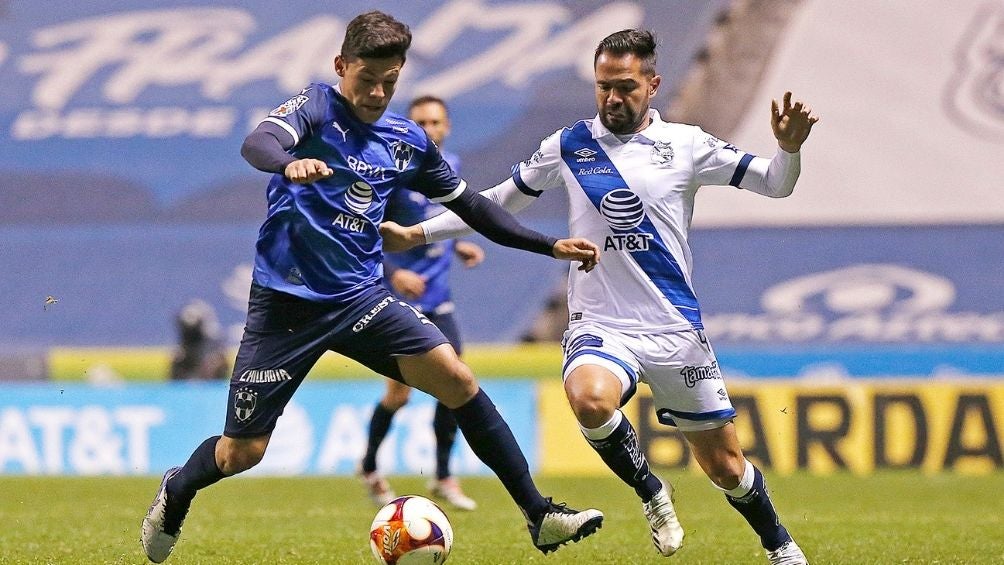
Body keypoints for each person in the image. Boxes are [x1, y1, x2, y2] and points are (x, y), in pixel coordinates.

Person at [140, 11, 603, 564]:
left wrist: (548, 245)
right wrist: (288, 165)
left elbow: (473, 206)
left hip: (361, 298)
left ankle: (538, 514)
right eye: (367, 79)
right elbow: (258, 142)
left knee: (458, 379)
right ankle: (178, 488)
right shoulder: (315, 108)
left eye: (390, 81)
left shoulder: (406, 141)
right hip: (285, 308)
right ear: (342, 66)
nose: (378, 93)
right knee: (242, 452)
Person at [382, 29, 818, 565]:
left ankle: (779, 544)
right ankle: (651, 490)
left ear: (653, 85)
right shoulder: (569, 145)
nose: (612, 98)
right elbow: (495, 204)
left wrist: (789, 149)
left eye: (626, 87)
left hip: (675, 329)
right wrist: (418, 233)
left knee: (726, 468)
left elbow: (775, 183)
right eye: (603, 86)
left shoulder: (687, 145)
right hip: (601, 324)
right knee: (590, 400)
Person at [359, 95, 483, 511]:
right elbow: (364, 230)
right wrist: (394, 272)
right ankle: (369, 465)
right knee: (398, 393)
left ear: (447, 127)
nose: (429, 130)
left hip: (438, 295)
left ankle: (444, 475)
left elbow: (439, 222)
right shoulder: (392, 171)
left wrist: (459, 245)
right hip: (397, 295)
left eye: (435, 122)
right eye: (421, 123)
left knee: (457, 380)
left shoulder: (452, 167)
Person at [168, 299, 229, 381]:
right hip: (189, 373)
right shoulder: (183, 349)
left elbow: (221, 357)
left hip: (210, 378)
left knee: (216, 361)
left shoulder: (212, 340)